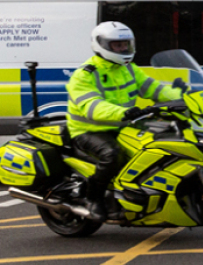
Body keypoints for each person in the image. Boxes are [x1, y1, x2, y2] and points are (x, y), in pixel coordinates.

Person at [65, 22, 183, 222]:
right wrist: (124, 112)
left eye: (125, 44)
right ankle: (93, 199)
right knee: (112, 154)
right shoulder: (84, 75)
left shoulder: (128, 68)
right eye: (117, 45)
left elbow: (155, 89)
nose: (122, 49)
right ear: (101, 45)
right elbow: (92, 106)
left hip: (123, 125)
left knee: (156, 146)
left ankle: (138, 194)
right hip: (89, 130)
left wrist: (186, 97)